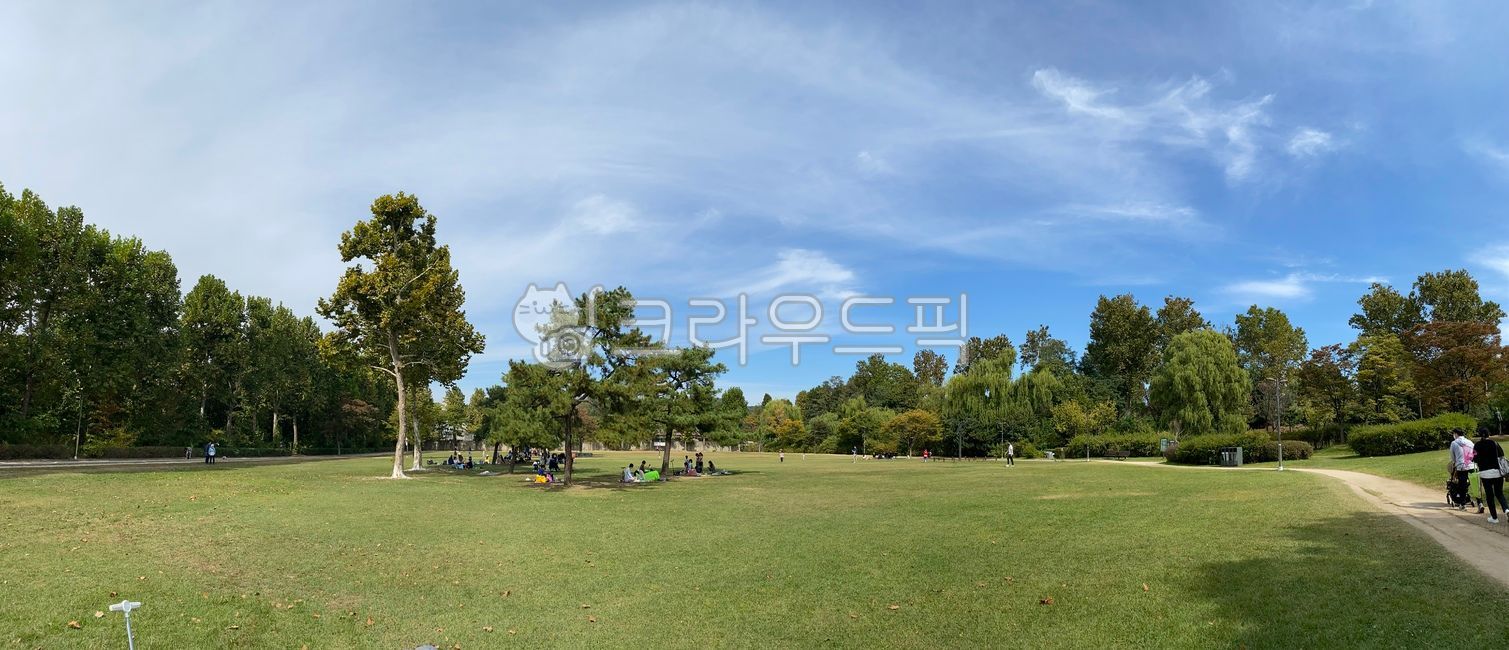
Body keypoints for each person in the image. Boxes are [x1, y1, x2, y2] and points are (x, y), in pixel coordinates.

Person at [1477, 432, 1507, 523]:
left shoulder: (1477, 445)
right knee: (1499, 493)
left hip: (1485, 474)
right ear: (1488, 435)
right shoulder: (1494, 443)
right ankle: (1507, 510)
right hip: (1497, 472)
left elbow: (1473, 458)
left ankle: (1494, 518)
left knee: (1489, 496)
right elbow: (1502, 455)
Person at [1450, 428, 1476, 510]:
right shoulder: (1470, 442)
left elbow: (1453, 457)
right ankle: (1480, 503)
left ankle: (1462, 503)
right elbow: (1474, 453)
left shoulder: (1454, 443)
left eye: (1453, 434)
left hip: (1461, 466)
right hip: (1471, 465)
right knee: (1475, 484)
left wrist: (1455, 462)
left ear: (1456, 434)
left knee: (1462, 485)